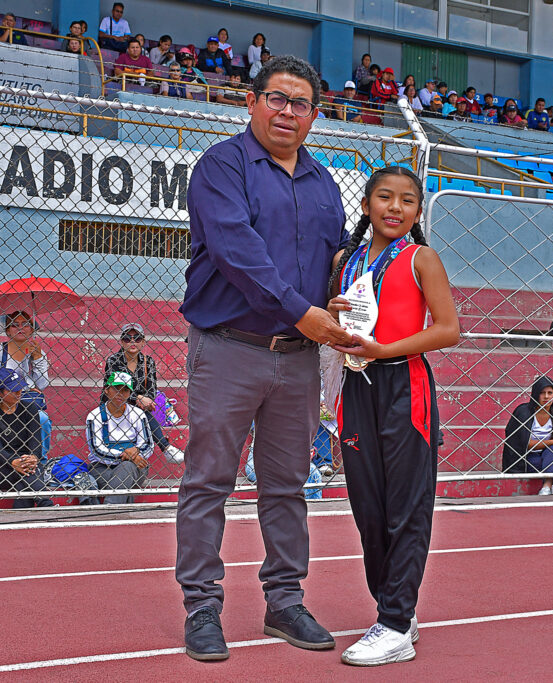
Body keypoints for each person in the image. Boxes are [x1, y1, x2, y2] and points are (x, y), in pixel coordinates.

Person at [175, 55, 352, 661]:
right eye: (276, 98)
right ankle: (202, 606)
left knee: (287, 486)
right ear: (251, 103)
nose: (288, 112)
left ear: (315, 116)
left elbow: (338, 262)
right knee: (209, 480)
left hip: (299, 357)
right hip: (229, 346)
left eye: (300, 103)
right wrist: (305, 312)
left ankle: (284, 601)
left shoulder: (325, 183)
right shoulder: (222, 166)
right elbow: (237, 251)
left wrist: (362, 294)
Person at [326, 166, 459, 665]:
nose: (395, 208)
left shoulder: (422, 258)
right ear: (366, 205)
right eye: (385, 197)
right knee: (369, 509)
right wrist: (334, 314)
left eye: (407, 200)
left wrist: (385, 351)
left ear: (418, 211)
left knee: (407, 507)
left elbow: (448, 329)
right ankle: (394, 607)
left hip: (405, 382)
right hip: (357, 383)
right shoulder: (346, 259)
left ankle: (395, 623)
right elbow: (340, 322)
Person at [102, 322, 184, 464]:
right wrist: (139, 397)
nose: (132, 342)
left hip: (139, 408)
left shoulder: (148, 362)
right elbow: (115, 390)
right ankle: (166, 447)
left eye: (137, 338)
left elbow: (151, 389)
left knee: (141, 412)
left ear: (143, 342)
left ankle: (159, 449)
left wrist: (147, 400)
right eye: (128, 338)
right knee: (141, 412)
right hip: (115, 403)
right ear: (122, 342)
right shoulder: (113, 361)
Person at [0, 368, 54, 508]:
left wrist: (34, 458)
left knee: (25, 477)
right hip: (0, 467)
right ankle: (46, 504)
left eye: (20, 388)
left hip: (26, 462)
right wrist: (13, 461)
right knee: (28, 474)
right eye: (13, 390)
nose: (19, 392)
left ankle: (27, 513)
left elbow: (36, 442)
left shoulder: (30, 408)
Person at [0, 311, 52, 458]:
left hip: (27, 402)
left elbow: (42, 384)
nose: (20, 328)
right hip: (5, 400)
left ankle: (40, 460)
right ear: (7, 330)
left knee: (43, 419)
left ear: (32, 329)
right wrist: (18, 384)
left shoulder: (37, 352)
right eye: (14, 325)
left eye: (25, 324)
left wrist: (38, 358)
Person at [83, 371, 154, 504]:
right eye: (116, 388)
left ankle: (109, 508)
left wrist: (135, 454)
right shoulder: (95, 416)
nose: (120, 394)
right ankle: (119, 506)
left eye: (125, 390)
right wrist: (127, 454)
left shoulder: (138, 414)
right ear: (107, 390)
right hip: (101, 468)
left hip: (136, 466)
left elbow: (148, 445)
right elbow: (97, 451)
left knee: (127, 468)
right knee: (124, 475)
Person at [503, 377, 553, 496]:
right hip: (525, 458)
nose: (546, 397)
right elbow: (527, 445)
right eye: (542, 393)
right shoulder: (524, 413)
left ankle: (546, 486)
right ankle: (549, 485)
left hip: (547, 455)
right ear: (535, 394)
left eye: (550, 393)